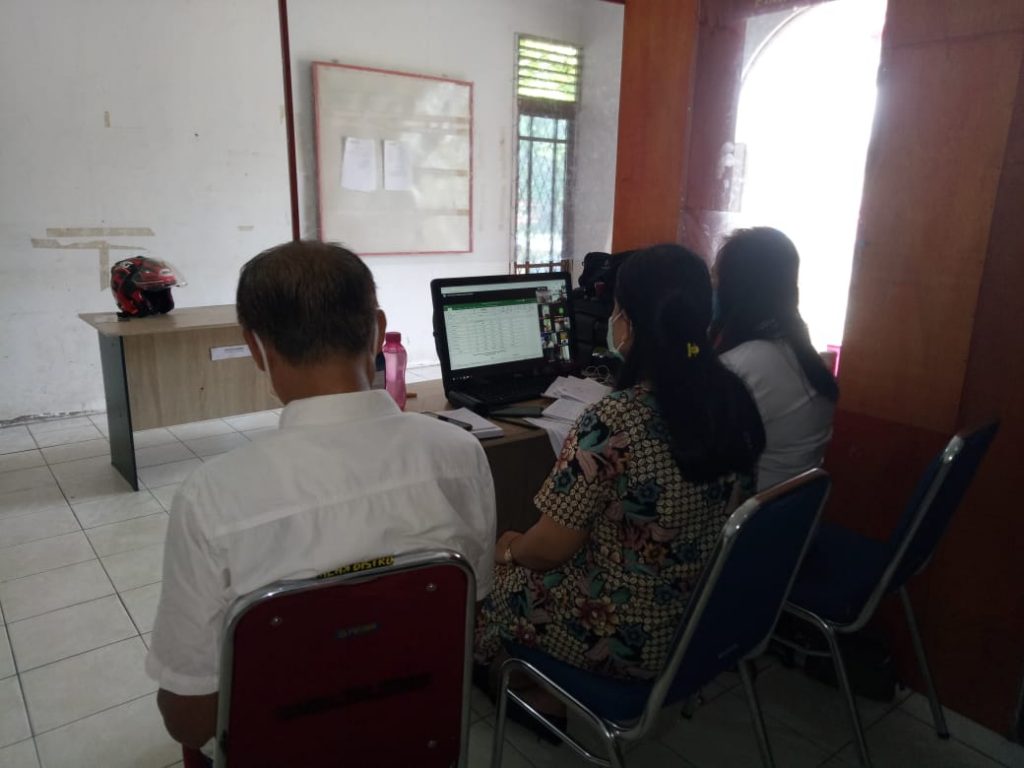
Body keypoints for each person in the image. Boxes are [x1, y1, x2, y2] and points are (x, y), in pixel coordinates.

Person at [146, 241, 496, 755]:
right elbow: (470, 611)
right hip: (418, 744)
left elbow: (189, 720)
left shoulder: (212, 497)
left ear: (255, 347)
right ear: (377, 330)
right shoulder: (460, 454)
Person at [474, 244, 765, 728]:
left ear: (628, 322)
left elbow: (547, 549)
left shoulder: (615, 419)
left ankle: (528, 687)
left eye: (615, 308)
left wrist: (506, 549)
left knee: (492, 577)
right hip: (696, 618)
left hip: (623, 633)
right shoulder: (731, 399)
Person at [710, 227, 839, 490]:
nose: (712, 286)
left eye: (717, 277)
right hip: (790, 509)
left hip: (744, 507)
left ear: (735, 289)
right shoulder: (801, 353)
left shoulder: (738, 367)